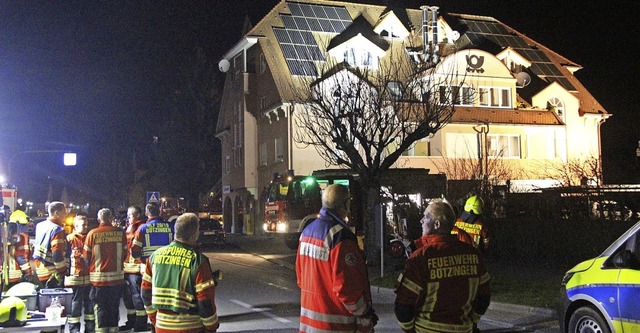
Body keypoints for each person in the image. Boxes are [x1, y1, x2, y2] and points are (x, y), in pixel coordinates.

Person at [395, 201, 491, 333]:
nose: (421, 221)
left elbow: (403, 305)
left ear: (437, 224)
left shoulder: (420, 258)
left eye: (426, 216)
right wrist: (472, 321)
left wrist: (410, 329)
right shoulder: (473, 255)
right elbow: (484, 297)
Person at [296, 184, 377, 333]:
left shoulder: (306, 233)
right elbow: (348, 290)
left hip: (308, 327)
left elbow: (301, 279)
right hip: (336, 327)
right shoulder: (341, 238)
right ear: (346, 204)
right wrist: (365, 313)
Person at [141, 212, 219, 333]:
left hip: (161, 326)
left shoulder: (154, 257)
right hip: (191, 328)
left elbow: (145, 293)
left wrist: (154, 320)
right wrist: (211, 327)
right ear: (194, 235)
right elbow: (205, 302)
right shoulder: (197, 261)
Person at [84, 208, 127, 333]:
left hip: (98, 280)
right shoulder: (120, 232)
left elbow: (86, 257)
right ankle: (113, 330)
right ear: (111, 218)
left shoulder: (92, 234)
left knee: (100, 307)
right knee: (114, 307)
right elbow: (125, 253)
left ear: (98, 219)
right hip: (117, 279)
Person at [120, 206, 148, 332]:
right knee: (128, 296)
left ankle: (141, 323)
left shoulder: (140, 227)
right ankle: (131, 321)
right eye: (128, 214)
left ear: (137, 215)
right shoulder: (130, 227)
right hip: (127, 268)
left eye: (130, 215)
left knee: (137, 296)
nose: (128, 217)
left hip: (136, 268)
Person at [65, 215, 94, 333]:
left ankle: (90, 328)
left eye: (87, 224)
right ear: (75, 226)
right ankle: (74, 329)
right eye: (83, 225)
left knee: (90, 304)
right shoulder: (69, 239)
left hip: (89, 277)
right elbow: (66, 257)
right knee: (75, 305)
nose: (86, 227)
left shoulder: (90, 237)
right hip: (74, 278)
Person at [33, 201, 68, 288]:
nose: (66, 214)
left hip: (40, 268)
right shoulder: (57, 229)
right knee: (55, 299)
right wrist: (63, 271)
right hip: (53, 271)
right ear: (57, 213)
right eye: (64, 212)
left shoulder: (40, 225)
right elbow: (57, 253)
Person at [0, 222, 33, 288]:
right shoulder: (22, 238)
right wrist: (28, 273)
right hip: (15, 275)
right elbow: (21, 257)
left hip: (3, 275)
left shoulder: (3, 239)